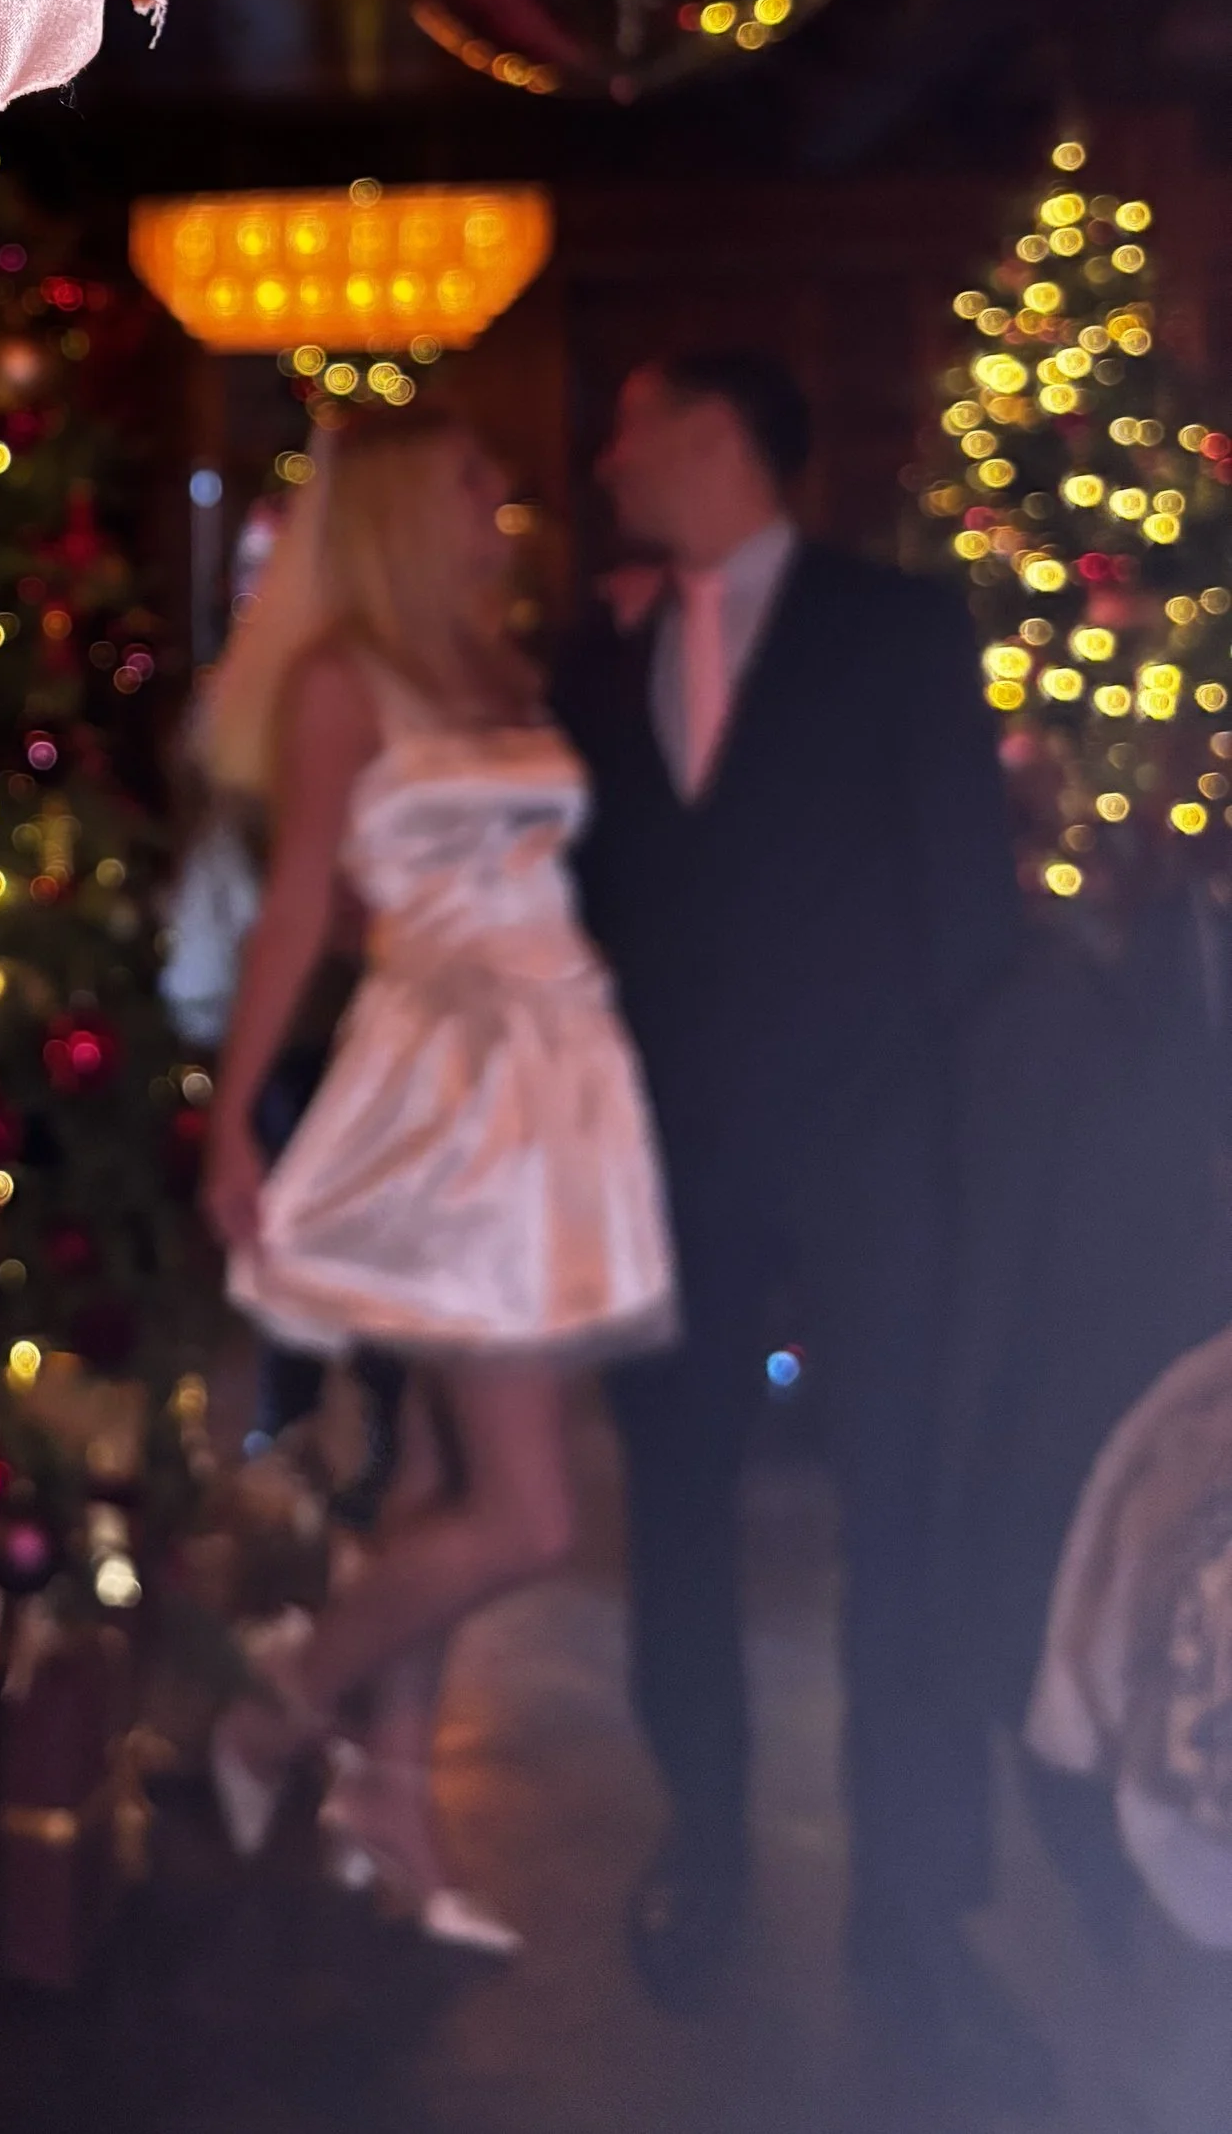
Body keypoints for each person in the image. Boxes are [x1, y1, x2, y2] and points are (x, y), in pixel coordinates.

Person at [553, 352, 1041, 2103]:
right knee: (676, 1518)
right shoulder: (599, 651)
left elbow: (969, 915)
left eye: (634, 427)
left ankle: (910, 1909)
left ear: (713, 439)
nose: (608, 460)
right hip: (671, 1167)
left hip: (874, 1163)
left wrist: (942, 1159)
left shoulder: (897, 629)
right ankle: (709, 1840)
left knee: (899, 1524)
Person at [199, 410, 676, 1945]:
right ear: (414, 508)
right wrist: (230, 1124)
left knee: (444, 1479)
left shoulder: (499, 665)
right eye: (483, 477)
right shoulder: (343, 682)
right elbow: (292, 915)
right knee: (531, 1513)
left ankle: (391, 1790)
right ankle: (283, 1703)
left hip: (563, 1075)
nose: (507, 501)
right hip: (457, 1093)